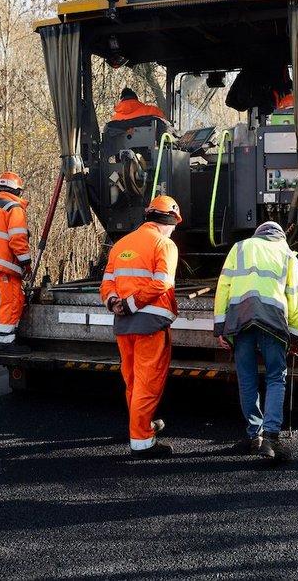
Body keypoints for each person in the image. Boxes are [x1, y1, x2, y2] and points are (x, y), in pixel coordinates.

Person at [214, 221, 298, 461]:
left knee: (247, 379)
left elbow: (223, 287)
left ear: (258, 234)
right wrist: (297, 335)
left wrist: (220, 327)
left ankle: (254, 434)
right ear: (279, 237)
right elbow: (296, 297)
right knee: (276, 377)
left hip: (241, 320)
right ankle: (271, 439)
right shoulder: (287, 255)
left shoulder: (240, 248)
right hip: (272, 322)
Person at [100, 195, 181, 459]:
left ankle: (141, 425)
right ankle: (141, 441)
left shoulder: (121, 244)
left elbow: (107, 283)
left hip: (124, 325)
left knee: (133, 382)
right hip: (150, 324)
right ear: (170, 221)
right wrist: (132, 304)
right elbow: (162, 284)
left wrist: (115, 303)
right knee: (148, 382)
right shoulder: (164, 245)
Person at [0, 171, 33, 354]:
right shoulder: (13, 208)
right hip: (5, 265)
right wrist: (26, 262)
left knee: (15, 299)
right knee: (10, 302)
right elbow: (17, 238)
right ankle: (5, 343)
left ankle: (11, 338)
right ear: (17, 190)